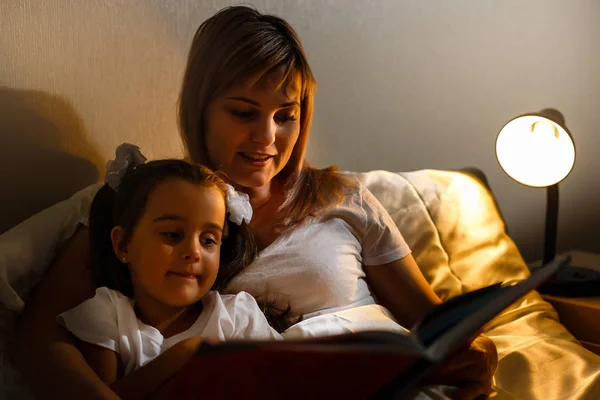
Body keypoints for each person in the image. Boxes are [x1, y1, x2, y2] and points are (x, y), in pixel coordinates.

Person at [13, 5, 497, 400]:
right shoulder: (151, 202)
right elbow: (39, 338)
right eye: (244, 112)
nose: (267, 137)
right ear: (199, 107)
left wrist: (474, 350)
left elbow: (435, 321)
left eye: (286, 115)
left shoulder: (344, 197)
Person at [57, 148, 281, 399]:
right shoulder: (109, 317)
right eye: (173, 235)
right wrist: (185, 354)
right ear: (123, 244)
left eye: (208, 240)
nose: (193, 252)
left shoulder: (238, 317)